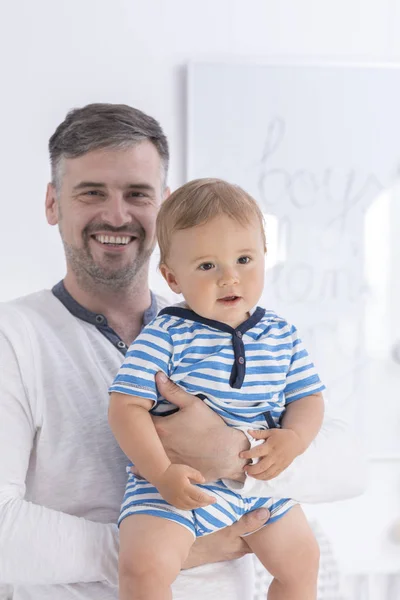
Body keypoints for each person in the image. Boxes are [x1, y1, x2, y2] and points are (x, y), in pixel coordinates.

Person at [0, 103, 366, 600]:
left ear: (165, 209)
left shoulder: (233, 322)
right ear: (52, 203)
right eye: (90, 192)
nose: (116, 214)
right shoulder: (13, 336)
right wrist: (164, 549)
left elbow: (349, 464)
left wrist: (233, 454)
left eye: (138, 194)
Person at [108, 178, 324, 600]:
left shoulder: (282, 334)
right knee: (143, 568)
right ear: (172, 277)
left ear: (265, 257)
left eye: (244, 259)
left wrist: (293, 439)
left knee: (302, 563)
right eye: (207, 266)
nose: (230, 278)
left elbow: (308, 398)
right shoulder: (166, 333)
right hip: (174, 486)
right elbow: (125, 407)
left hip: (261, 485)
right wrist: (161, 472)